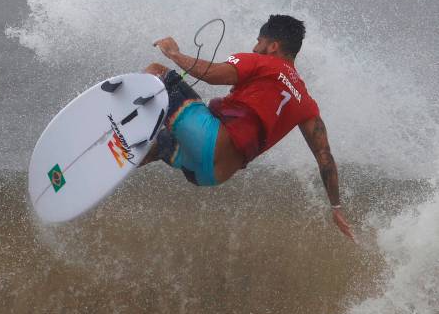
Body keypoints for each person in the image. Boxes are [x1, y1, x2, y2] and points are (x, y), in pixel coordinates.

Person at [140, 14, 354, 239]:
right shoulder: (305, 101)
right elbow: (324, 156)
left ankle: (118, 124)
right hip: (210, 175)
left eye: (259, 41)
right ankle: (118, 158)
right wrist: (336, 207)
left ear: (273, 46)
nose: (255, 47)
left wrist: (174, 54)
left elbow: (211, 75)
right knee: (161, 144)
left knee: (156, 72)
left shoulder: (263, 62)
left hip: (209, 140)